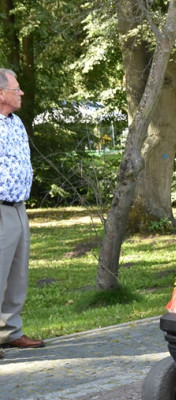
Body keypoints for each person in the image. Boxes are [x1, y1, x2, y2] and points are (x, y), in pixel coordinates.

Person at [0, 68, 45, 356]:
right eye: (17, 89)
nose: (21, 93)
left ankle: (9, 332)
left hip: (18, 207)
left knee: (17, 275)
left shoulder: (16, 123)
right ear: (1, 93)